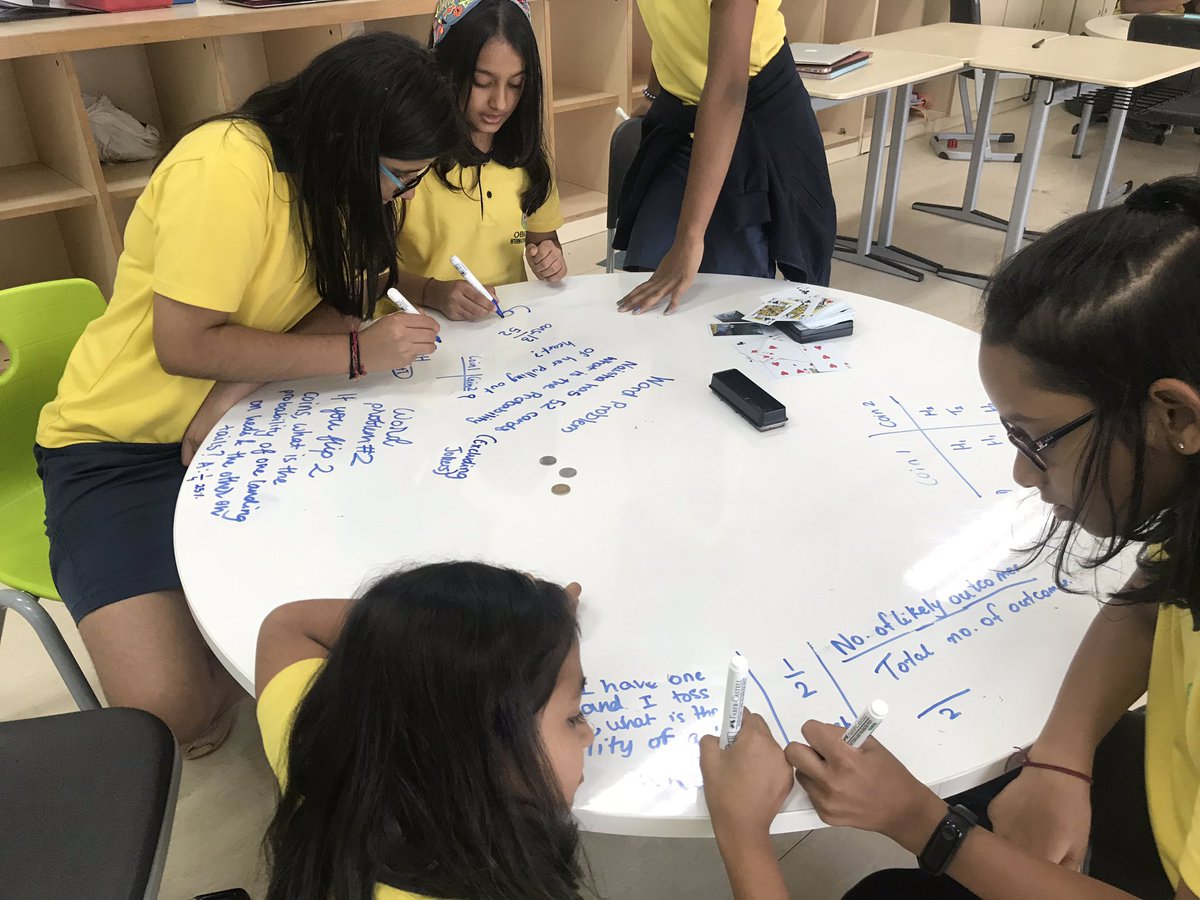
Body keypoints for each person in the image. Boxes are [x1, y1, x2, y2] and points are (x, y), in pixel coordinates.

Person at [712, 176, 1200, 899]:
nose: (1022, 472)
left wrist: (925, 824)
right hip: (1169, 793)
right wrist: (1063, 758)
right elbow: (1155, 594)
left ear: (1175, 417)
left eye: (1038, 441)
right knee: (984, 803)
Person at [33, 33, 457, 756]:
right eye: (400, 175)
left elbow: (341, 300)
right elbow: (183, 343)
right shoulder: (228, 167)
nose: (403, 194)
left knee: (388, 562)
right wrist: (353, 354)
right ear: (342, 139)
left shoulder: (349, 184)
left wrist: (233, 393)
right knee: (172, 718)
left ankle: (240, 629)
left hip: (249, 419)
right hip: (118, 446)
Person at [256, 562, 797, 900]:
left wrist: (489, 643)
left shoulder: (328, 748)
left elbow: (287, 624)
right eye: (572, 715)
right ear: (482, 754)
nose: (588, 733)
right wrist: (744, 834)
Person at [613, 0, 837, 315]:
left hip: (754, 114)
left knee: (731, 300)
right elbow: (668, 25)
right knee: (649, 274)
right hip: (681, 112)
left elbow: (728, 90)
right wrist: (653, 93)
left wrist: (689, 237)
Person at [388, 0, 566, 323]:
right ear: (446, 70)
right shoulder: (409, 161)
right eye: (482, 82)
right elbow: (369, 276)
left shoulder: (527, 158)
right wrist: (434, 292)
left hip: (509, 329)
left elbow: (543, 239)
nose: (500, 102)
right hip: (424, 331)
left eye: (516, 84)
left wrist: (550, 258)